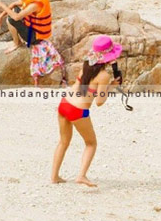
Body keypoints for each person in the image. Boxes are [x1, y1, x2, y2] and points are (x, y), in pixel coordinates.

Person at [51, 35, 122, 187]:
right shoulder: (103, 76)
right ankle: (81, 176)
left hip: (65, 103)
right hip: (78, 111)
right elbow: (100, 102)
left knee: (63, 142)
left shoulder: (86, 66)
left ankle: (54, 176)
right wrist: (111, 86)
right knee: (91, 143)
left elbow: (83, 88)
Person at [0, 0, 64, 85]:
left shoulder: (34, 5)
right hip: (33, 28)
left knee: (11, 18)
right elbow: (13, 4)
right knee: (13, 10)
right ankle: (17, 41)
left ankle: (17, 43)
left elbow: (16, 17)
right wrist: (0, 17)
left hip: (35, 37)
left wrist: (2, 6)